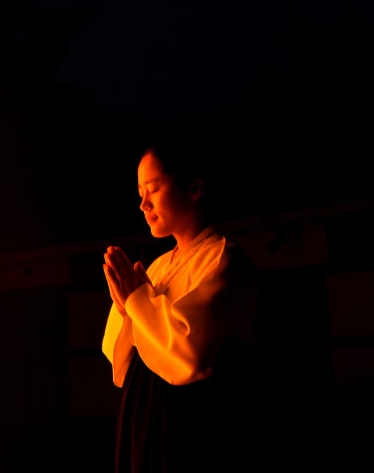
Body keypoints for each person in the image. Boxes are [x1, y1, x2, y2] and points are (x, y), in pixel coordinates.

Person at [101, 140, 261, 472]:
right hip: (141, 413)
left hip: (189, 424)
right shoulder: (158, 267)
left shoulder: (222, 258)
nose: (143, 204)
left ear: (193, 189)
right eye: (140, 192)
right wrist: (126, 307)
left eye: (154, 189)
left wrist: (138, 301)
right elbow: (122, 368)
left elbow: (190, 356)